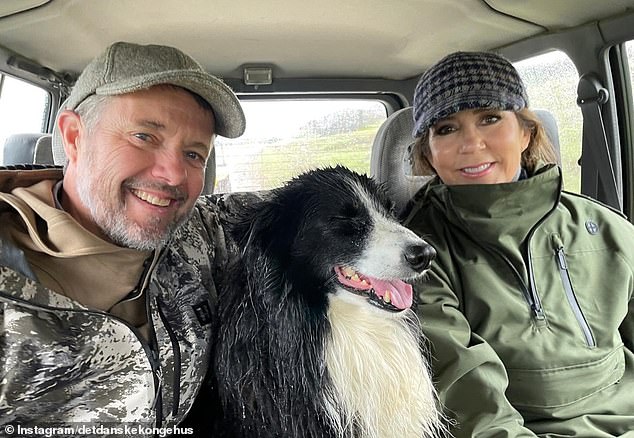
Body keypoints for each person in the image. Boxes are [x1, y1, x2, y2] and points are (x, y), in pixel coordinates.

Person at [0, 41, 245, 431]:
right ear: (74, 137)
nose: (173, 175)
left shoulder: (198, 233)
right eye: (144, 137)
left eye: (194, 154)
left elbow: (303, 210)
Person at [404, 51, 634, 437]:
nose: (471, 143)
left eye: (490, 118)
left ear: (526, 131)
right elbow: (465, 392)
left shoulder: (605, 226)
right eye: (446, 128)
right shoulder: (419, 255)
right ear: (429, 154)